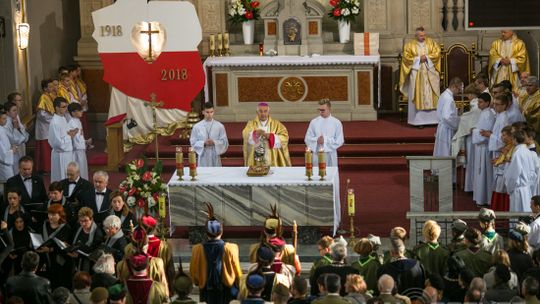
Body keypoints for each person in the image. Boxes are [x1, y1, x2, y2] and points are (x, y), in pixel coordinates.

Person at [190, 203, 242, 304]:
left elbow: (193, 271)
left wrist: (197, 281)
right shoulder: (231, 248)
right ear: (221, 232)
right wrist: (240, 285)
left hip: (206, 288)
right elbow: (238, 271)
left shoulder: (197, 249)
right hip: (227, 288)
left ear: (206, 233)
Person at [399, 26, 441, 126]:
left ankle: (432, 120)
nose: (423, 37)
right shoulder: (410, 45)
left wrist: (426, 57)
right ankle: (418, 121)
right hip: (417, 73)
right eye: (421, 35)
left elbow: (437, 53)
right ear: (416, 35)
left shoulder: (431, 42)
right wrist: (418, 59)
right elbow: (406, 57)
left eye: (424, 35)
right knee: (417, 94)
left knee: (432, 94)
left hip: (429, 72)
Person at [36, 203, 73, 289]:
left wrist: (50, 249)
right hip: (44, 260)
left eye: (53, 214)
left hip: (59, 262)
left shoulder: (66, 228)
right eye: (49, 214)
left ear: (60, 215)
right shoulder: (43, 225)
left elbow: (66, 247)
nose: (50, 217)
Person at [242, 102, 291, 167]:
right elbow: (245, 135)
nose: (263, 114)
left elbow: (284, 137)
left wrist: (271, 137)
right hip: (256, 157)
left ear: (268, 112)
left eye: (265, 111)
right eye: (260, 111)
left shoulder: (276, 124)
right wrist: (255, 134)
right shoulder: (251, 124)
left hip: (273, 156)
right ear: (257, 112)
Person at [471, 93, 496, 206]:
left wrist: (474, 131)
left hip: (484, 148)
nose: (478, 104)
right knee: (481, 173)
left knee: (484, 174)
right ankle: (482, 197)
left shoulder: (488, 114)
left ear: (487, 103)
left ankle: (484, 199)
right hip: (481, 148)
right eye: (478, 101)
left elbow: (485, 133)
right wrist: (476, 130)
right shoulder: (484, 113)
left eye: (481, 102)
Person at [505, 128, 538, 212]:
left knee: (517, 216)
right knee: (526, 213)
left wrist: (509, 188)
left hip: (518, 190)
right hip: (527, 188)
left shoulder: (518, 153)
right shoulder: (527, 151)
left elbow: (513, 175)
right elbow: (533, 172)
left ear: (515, 139)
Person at [304, 99, 344, 166]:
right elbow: (307, 138)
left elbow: (340, 141)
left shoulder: (336, 123)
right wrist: (317, 140)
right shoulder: (314, 122)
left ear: (329, 109)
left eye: (323, 110)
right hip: (317, 154)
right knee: (317, 174)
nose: (320, 112)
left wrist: (325, 140)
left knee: (330, 174)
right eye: (319, 110)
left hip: (330, 154)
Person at [190, 102, 228, 166]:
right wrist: (203, 143)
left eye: (211, 112)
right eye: (207, 112)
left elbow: (225, 142)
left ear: (214, 112)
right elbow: (193, 142)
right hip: (203, 156)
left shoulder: (220, 126)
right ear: (203, 112)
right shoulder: (197, 127)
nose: (210, 114)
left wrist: (214, 142)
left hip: (215, 154)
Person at [48, 97, 76, 182]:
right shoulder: (55, 122)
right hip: (61, 155)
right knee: (61, 178)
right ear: (57, 108)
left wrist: (71, 133)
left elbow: (65, 134)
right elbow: (57, 143)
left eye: (66, 107)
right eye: (63, 107)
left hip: (67, 153)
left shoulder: (63, 118)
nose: (66, 109)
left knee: (69, 177)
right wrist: (70, 136)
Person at [433, 77, 463, 157]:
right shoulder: (449, 98)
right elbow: (447, 117)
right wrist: (458, 122)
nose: (459, 92)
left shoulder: (444, 95)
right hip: (447, 129)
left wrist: (455, 111)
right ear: (453, 86)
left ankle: (441, 168)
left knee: (441, 151)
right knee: (445, 152)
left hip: (443, 127)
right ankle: (445, 169)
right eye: (459, 89)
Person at [70, 207, 104, 272]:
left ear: (91, 219)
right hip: (75, 261)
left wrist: (79, 255)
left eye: (85, 220)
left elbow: (95, 252)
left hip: (89, 264)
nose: (83, 223)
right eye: (81, 221)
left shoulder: (97, 232)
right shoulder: (78, 227)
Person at [35, 79, 55, 174]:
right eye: (50, 86)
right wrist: (53, 119)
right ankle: (45, 168)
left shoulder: (50, 96)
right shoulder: (43, 98)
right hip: (44, 127)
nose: (52, 88)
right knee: (45, 149)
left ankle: (50, 167)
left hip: (49, 126)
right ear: (45, 88)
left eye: (52, 86)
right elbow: (41, 114)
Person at [4, 101, 29, 174]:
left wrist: (18, 129)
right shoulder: (6, 124)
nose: (16, 112)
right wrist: (15, 129)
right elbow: (15, 140)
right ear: (7, 112)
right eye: (14, 110)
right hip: (11, 152)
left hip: (16, 151)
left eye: (16, 110)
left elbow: (25, 137)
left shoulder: (14, 120)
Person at [67, 102, 89, 179]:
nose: (81, 112)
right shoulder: (71, 123)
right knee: (79, 167)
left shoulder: (78, 121)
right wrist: (84, 142)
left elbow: (80, 135)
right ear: (73, 113)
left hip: (81, 148)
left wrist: (85, 141)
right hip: (77, 150)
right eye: (79, 110)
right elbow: (74, 138)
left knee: (83, 167)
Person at [519, 76, 540, 143]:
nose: (527, 88)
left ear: (537, 86)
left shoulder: (538, 98)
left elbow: (537, 115)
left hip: (535, 132)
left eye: (530, 85)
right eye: (526, 85)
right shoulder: (526, 96)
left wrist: (524, 112)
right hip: (525, 130)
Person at [0, 108, 16, 180]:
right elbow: (1, 152)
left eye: (6, 118)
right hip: (4, 163)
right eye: (3, 119)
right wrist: (12, 151)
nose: (6, 120)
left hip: (7, 160)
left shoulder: (2, 129)